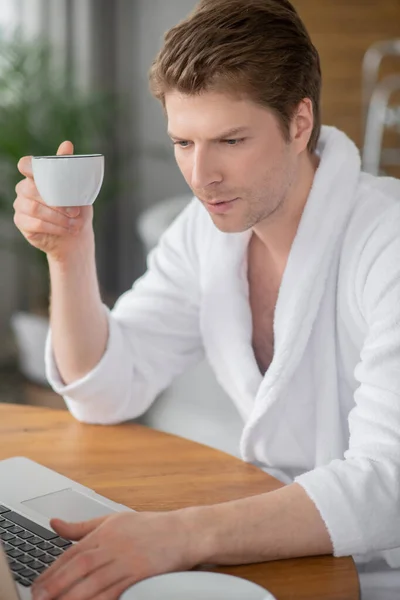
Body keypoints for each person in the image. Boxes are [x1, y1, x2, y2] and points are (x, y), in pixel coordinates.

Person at [13, 0, 400, 599]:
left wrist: (179, 535)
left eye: (230, 140)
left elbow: (390, 484)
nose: (200, 175)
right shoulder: (204, 235)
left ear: (300, 124)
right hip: (269, 548)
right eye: (183, 142)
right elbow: (108, 388)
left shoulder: (388, 241)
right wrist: (68, 255)